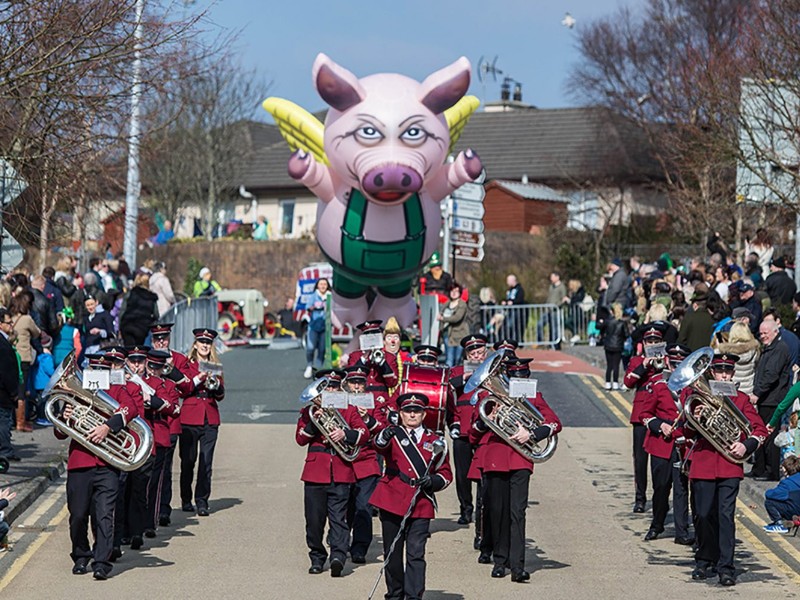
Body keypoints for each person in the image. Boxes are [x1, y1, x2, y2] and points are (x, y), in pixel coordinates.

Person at [470, 358, 562, 583]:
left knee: (517, 513)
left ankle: (517, 565)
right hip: (495, 460)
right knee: (497, 512)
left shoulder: (534, 398)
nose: (519, 380)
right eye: (514, 377)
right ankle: (500, 561)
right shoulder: (488, 400)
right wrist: (486, 421)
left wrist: (532, 434)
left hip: (520, 460)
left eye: (523, 376)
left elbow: (555, 423)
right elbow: (472, 433)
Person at [56, 352, 143, 580]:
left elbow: (130, 408)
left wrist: (107, 426)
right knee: (78, 514)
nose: (98, 375)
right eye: (94, 370)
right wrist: (64, 415)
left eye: (102, 371)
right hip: (80, 463)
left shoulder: (117, 390)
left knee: (105, 515)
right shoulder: (76, 392)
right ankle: (81, 555)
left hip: (106, 464)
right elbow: (59, 433)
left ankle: (102, 561)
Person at [687, 353, 767, 586]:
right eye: (719, 370)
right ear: (711, 373)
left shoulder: (740, 399)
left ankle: (726, 566)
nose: (724, 374)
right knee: (702, 514)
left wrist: (745, 445)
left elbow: (759, 430)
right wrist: (695, 419)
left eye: (728, 371)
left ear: (733, 373)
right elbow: (685, 432)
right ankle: (704, 557)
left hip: (729, 464)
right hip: (703, 463)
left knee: (725, 516)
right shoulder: (699, 397)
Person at [370, 393, 452, 598]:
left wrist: (433, 481)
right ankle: (395, 594)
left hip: (421, 502)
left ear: (424, 415)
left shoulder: (436, 440)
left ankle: (414, 596)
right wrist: (384, 435)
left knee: (416, 553)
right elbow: (378, 446)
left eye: (417, 411)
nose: (412, 414)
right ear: (401, 414)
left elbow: (446, 473)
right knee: (393, 552)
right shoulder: (393, 434)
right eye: (408, 411)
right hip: (392, 499)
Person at [296, 371, 368, 576]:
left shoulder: (349, 410)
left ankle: (338, 555)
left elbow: (364, 433)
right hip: (315, 472)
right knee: (314, 521)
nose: (330, 391)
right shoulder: (308, 412)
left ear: (340, 389)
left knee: (339, 518)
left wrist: (346, 433)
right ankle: (317, 557)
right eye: (326, 387)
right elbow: (300, 439)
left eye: (334, 387)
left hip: (341, 471)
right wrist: (313, 423)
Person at [179, 328, 225, 516]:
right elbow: (182, 389)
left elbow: (221, 395)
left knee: (206, 462)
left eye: (208, 343)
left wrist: (216, 385)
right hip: (190, 417)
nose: (205, 345)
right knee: (188, 460)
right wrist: (199, 379)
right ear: (195, 345)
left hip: (210, 418)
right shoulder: (187, 365)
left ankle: (202, 500)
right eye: (201, 342)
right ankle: (185, 497)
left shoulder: (215, 365)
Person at [340, 365, 382, 564]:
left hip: (366, 461)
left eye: (360, 383)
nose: (356, 387)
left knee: (363, 507)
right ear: (346, 384)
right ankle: (340, 542)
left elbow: (384, 429)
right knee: (343, 506)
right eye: (353, 382)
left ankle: (359, 548)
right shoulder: (338, 402)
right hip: (343, 462)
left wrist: (367, 418)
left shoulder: (373, 403)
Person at [624, 326, 667, 513]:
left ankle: (660, 498)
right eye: (649, 342)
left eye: (656, 341)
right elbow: (628, 382)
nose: (652, 344)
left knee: (660, 461)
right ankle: (640, 498)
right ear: (644, 344)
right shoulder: (636, 361)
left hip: (661, 413)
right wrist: (644, 365)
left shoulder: (666, 361)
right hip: (641, 413)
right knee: (640, 460)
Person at [752, 319, 791, 481]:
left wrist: (757, 393)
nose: (762, 336)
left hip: (772, 400)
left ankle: (771, 470)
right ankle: (760, 468)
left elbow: (771, 374)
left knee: (769, 436)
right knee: (762, 433)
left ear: (775, 332)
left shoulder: (779, 349)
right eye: (760, 333)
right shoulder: (770, 348)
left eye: (765, 333)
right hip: (766, 399)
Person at [10, 292, 40, 432]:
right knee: (22, 390)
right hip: (24, 357)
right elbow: (37, 332)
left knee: (13, 389)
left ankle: (13, 420)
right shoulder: (27, 319)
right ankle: (20, 422)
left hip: (12, 357)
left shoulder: (11, 318)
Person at [716, 322, 760, 396]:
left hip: (732, 391)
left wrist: (719, 346)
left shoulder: (725, 350)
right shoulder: (754, 350)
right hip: (749, 391)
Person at [0, 309, 20, 464]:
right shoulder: (3, 345)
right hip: (3, 392)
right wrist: (14, 392)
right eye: (8, 322)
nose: (12, 325)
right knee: (4, 421)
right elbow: (7, 371)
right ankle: (5, 451)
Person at [119, 274, 159, 346]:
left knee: (128, 350)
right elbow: (156, 314)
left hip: (127, 325)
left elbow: (122, 311)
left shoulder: (130, 293)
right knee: (139, 351)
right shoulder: (152, 298)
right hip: (142, 328)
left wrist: (120, 326)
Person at [763, 456, 800, 533]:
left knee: (769, 502)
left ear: (787, 469)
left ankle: (780, 524)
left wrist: (769, 491)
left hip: (795, 509)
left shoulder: (787, 483)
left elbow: (771, 495)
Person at [438, 282, 468, 368]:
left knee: (457, 359)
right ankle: (448, 379)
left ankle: (456, 377)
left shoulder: (462, 304)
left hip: (459, 336)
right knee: (449, 360)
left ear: (459, 293)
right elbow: (440, 314)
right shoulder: (446, 304)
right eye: (452, 291)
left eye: (456, 291)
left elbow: (457, 318)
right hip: (448, 335)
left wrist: (443, 318)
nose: (454, 293)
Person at [304, 278, 330, 379]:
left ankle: (318, 369)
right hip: (313, 326)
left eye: (325, 284)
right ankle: (309, 365)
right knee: (310, 347)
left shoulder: (329, 296)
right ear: (317, 286)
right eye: (321, 284)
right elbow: (307, 307)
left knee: (322, 349)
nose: (323, 286)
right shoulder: (313, 296)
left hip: (325, 327)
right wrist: (314, 307)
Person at [79, 295, 114, 364]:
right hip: (88, 349)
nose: (90, 307)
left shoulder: (104, 315)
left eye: (92, 304)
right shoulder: (86, 318)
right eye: (88, 305)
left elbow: (111, 332)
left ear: (96, 303)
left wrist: (100, 331)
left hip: (101, 348)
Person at [599, 303, 626, 390]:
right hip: (618, 345)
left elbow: (599, 327)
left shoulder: (608, 321)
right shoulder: (622, 323)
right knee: (616, 365)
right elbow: (626, 334)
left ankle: (607, 383)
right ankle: (615, 383)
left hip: (608, 345)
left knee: (609, 365)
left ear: (612, 311)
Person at [538, 271, 566, 348]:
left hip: (556, 311)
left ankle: (555, 344)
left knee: (554, 328)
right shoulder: (551, 287)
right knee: (540, 324)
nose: (551, 279)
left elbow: (564, 299)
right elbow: (549, 298)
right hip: (548, 310)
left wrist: (557, 305)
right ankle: (540, 342)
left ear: (557, 277)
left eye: (552, 277)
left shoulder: (562, 287)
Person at [32, 332, 55, 426]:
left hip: (38, 383)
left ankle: (39, 417)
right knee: (44, 403)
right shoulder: (47, 357)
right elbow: (50, 370)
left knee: (39, 401)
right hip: (45, 383)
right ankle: (43, 418)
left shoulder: (38, 357)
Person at [501, 274, 525, 342]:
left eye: (508, 281)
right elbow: (508, 299)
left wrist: (513, 302)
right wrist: (505, 302)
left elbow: (520, 299)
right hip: (509, 311)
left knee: (512, 326)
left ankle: (516, 341)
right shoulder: (509, 290)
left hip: (516, 311)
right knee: (507, 326)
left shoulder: (520, 289)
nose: (507, 282)